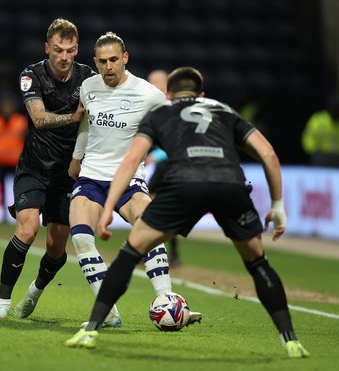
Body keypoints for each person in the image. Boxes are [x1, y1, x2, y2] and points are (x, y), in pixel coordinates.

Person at [66, 66, 310, 359]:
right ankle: (291, 341)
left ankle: (92, 328)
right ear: (202, 94)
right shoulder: (223, 110)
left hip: (185, 184)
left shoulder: (162, 112)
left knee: (132, 251)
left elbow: (132, 159)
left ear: (168, 94)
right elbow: (268, 154)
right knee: (258, 263)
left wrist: (108, 209)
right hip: (229, 183)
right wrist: (278, 205)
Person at [67, 33, 202, 328]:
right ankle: (109, 314)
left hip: (128, 180)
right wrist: (77, 159)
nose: (108, 67)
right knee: (80, 238)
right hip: (91, 176)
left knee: (149, 228)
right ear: (95, 63)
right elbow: (86, 124)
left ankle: (167, 299)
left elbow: (174, 125)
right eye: (102, 62)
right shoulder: (88, 87)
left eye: (114, 59)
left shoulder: (148, 93)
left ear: (125, 58)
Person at [0, 18, 95, 320]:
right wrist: (72, 119)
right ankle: (2, 302)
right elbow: (38, 118)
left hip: (67, 173)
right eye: (58, 50)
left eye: (70, 50)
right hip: (33, 167)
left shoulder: (88, 78)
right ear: (47, 48)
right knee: (27, 228)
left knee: (56, 247)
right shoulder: (31, 75)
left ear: (77, 50)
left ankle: (35, 290)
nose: (64, 57)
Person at [146, 69, 181, 267]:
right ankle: (167, 252)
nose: (153, 85)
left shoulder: (172, 108)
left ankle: (156, 251)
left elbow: (177, 142)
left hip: (172, 163)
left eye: (157, 81)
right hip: (165, 163)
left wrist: (154, 155)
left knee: (155, 203)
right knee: (156, 205)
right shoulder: (152, 106)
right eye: (151, 82)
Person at [0, 93, 27, 221]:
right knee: (1, 189)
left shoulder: (21, 121)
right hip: (1, 161)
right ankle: (3, 215)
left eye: (9, 107)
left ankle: (19, 214)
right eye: (4, 107)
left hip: (16, 161)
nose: (6, 109)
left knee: (19, 190)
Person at [301, 95, 339, 167]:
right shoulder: (318, 120)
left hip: (337, 156)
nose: (336, 111)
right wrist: (313, 150)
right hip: (322, 155)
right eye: (335, 108)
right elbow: (308, 137)